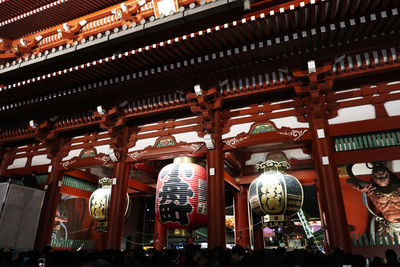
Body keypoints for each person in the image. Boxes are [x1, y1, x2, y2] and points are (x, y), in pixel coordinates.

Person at [347, 162, 400, 237]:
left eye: (384, 177)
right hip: (390, 226)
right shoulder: (371, 190)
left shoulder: (398, 188)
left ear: (388, 176)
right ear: (373, 178)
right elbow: (349, 181)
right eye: (378, 178)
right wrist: (360, 188)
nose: (381, 180)